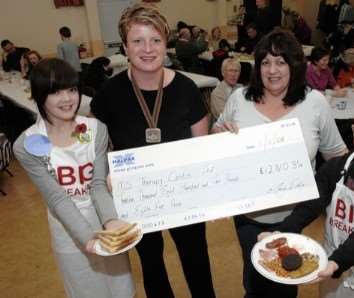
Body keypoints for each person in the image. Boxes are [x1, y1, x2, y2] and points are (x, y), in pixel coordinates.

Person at [90, 4, 215, 298]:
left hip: (185, 198)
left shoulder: (186, 89)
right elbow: (99, 150)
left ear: (165, 43)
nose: (147, 49)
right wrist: (108, 174)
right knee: (152, 266)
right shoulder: (109, 94)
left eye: (155, 40)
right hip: (137, 200)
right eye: (137, 41)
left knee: (197, 263)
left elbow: (201, 150)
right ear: (124, 46)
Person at [212, 29, 347, 298]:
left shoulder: (315, 103)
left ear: (295, 65)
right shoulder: (240, 98)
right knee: (254, 279)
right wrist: (221, 134)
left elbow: (338, 156)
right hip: (248, 216)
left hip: (292, 217)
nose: (272, 70)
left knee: (286, 277)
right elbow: (216, 135)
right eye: (265, 62)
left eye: (281, 61)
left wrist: (320, 192)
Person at [13, 58, 135, 298]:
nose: (67, 99)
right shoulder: (26, 145)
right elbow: (57, 199)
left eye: (71, 89)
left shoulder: (95, 129)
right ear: (39, 95)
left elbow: (98, 184)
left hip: (104, 223)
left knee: (121, 291)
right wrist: (88, 240)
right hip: (68, 233)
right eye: (56, 92)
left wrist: (111, 224)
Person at [263, 103, 354, 298]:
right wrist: (283, 231)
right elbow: (311, 204)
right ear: (353, 130)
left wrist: (337, 261)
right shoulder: (335, 167)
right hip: (330, 254)